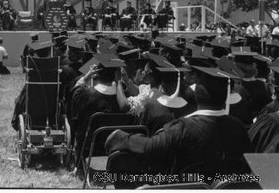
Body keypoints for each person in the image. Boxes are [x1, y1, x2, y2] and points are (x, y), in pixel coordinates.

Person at [105, 66, 251, 182]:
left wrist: (122, 137)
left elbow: (148, 147)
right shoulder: (239, 128)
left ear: (197, 96)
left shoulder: (184, 128)